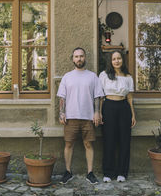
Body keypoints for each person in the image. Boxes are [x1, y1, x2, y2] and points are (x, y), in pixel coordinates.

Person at [57, 47, 104, 184]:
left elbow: (97, 97)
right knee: (69, 144)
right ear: (73, 59)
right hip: (70, 117)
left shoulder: (92, 76)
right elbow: (62, 98)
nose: (79, 59)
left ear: (85, 58)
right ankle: (68, 172)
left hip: (88, 117)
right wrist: (61, 113)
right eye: (76, 56)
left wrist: (97, 112)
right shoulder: (67, 77)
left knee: (88, 144)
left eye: (81, 56)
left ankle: (90, 173)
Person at [99, 51, 136, 183]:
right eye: (114, 59)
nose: (116, 61)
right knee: (109, 140)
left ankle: (122, 172)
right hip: (108, 107)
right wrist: (99, 112)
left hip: (124, 107)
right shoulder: (103, 75)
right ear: (110, 61)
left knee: (124, 141)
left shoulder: (128, 77)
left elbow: (130, 97)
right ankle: (108, 172)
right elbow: (100, 97)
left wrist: (133, 114)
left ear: (122, 60)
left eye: (119, 58)